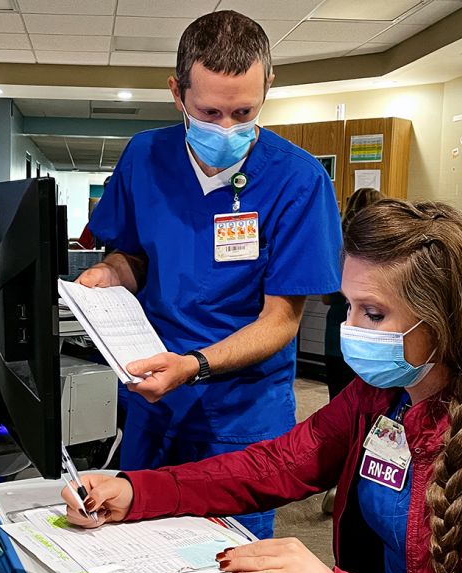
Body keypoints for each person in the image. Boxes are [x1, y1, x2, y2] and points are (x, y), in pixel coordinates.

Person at [64, 198, 462, 573]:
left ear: (446, 321)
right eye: (349, 307)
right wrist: (138, 491)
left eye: (374, 313)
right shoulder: (379, 398)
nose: (351, 329)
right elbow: (275, 466)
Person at [77, 11, 342, 539]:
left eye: (243, 112)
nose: (227, 128)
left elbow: (280, 322)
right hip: (153, 396)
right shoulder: (144, 157)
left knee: (226, 562)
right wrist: (110, 272)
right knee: (136, 543)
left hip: (239, 413)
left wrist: (195, 366)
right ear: (178, 93)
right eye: (210, 111)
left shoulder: (299, 180)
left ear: (269, 86)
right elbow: (133, 258)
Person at [323, 187, 384, 400]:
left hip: (338, 333)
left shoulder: (336, 246)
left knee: (339, 400)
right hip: (373, 338)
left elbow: (326, 297)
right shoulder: (384, 250)